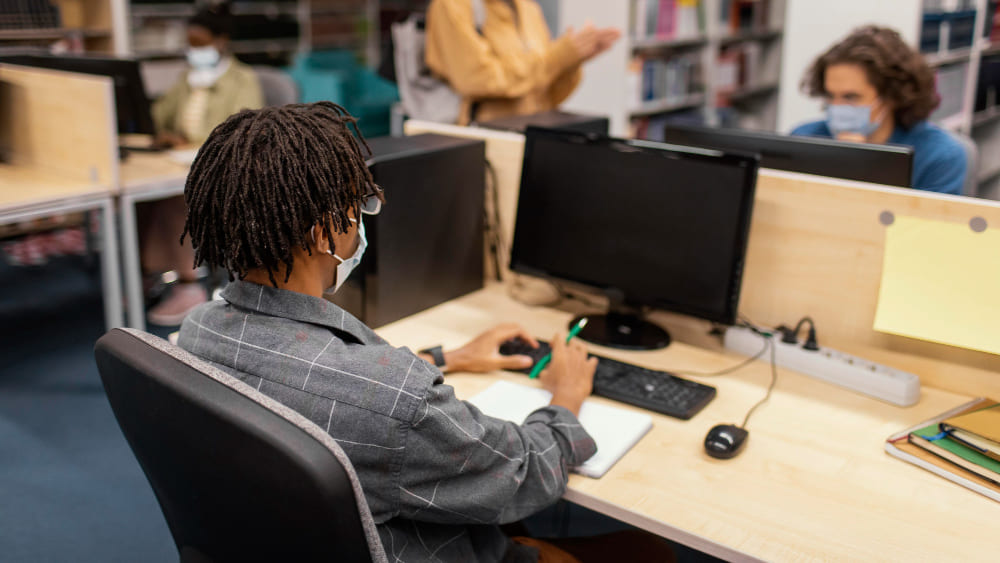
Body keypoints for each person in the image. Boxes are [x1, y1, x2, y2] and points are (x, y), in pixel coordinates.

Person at [176, 102, 674, 562]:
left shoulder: (199, 333)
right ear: (326, 233)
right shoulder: (396, 400)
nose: (362, 223)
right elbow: (523, 474)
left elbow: (316, 383)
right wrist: (566, 400)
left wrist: (446, 356)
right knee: (651, 551)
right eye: (359, 208)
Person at [141, 2, 263, 326]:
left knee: (174, 196)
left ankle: (189, 284)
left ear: (220, 41)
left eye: (199, 43)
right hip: (180, 161)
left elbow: (240, 132)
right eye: (190, 43)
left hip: (224, 171)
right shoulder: (187, 78)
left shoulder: (243, 80)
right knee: (142, 198)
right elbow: (157, 117)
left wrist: (195, 144)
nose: (192, 49)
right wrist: (165, 131)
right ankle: (145, 272)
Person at [791, 25, 967, 196]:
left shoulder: (939, 156)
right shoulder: (804, 139)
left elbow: (928, 224)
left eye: (851, 97)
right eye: (830, 95)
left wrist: (858, 166)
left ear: (891, 96)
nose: (837, 106)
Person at [424, 0, 620, 125]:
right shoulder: (451, 6)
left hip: (537, 136)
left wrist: (572, 61)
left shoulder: (529, 9)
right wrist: (558, 57)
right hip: (488, 144)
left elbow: (548, 95)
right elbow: (477, 79)